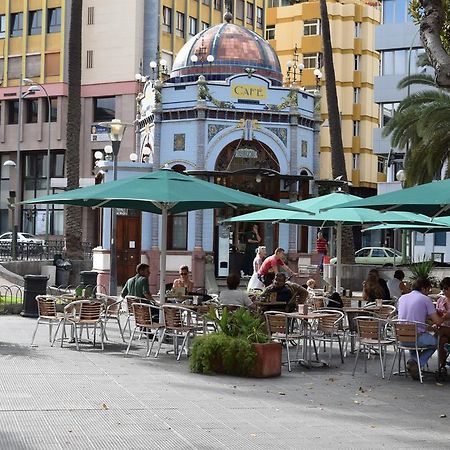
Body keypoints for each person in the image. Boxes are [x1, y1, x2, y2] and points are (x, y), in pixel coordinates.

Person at [397, 277, 443, 380]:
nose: (428, 293)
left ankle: (413, 363)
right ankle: (417, 363)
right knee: (437, 342)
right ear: (423, 288)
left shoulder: (402, 298)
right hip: (417, 339)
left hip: (401, 339)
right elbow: (438, 321)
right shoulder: (426, 299)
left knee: (417, 337)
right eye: (428, 290)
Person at [436, 277, 450, 369]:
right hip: (444, 329)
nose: (444, 290)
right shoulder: (440, 301)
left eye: (446, 288)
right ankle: (442, 366)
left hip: (444, 328)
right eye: (443, 288)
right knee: (442, 340)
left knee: (440, 331)